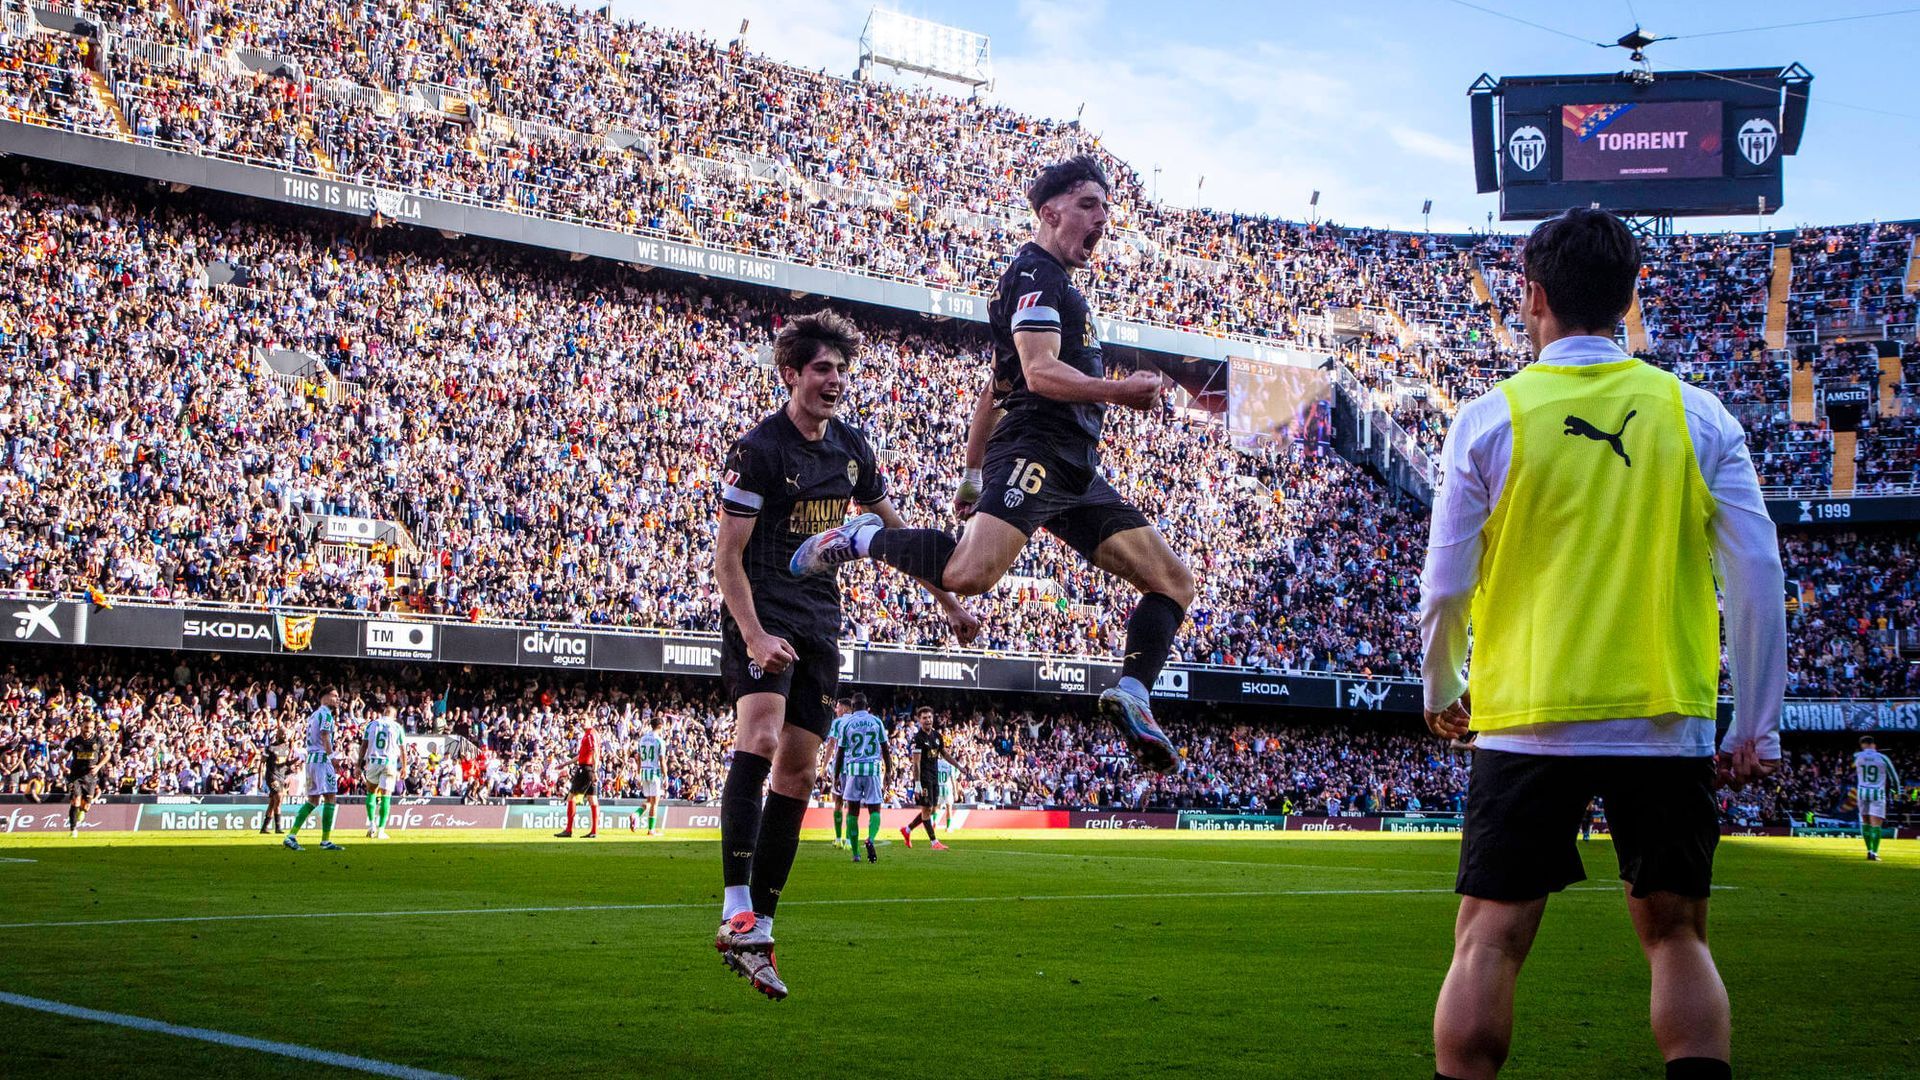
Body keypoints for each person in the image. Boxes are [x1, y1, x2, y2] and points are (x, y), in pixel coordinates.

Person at [1419, 208, 1787, 1080]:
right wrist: (1755, 725)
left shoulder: (1489, 419)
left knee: (1488, 940)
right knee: (1676, 936)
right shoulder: (1697, 416)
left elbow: (1445, 586)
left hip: (1526, 717)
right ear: (1629, 299)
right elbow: (1758, 573)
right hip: (1662, 715)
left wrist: (1441, 688)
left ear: (1532, 296)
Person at [789, 155, 1189, 775]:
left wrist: (972, 475)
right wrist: (1118, 391)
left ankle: (1134, 694)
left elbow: (995, 388)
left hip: (1074, 468)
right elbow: (1038, 374)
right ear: (1049, 212)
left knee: (1173, 582)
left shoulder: (1056, 286)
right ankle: (861, 537)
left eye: (1106, 209)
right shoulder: (1036, 274)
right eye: (1088, 205)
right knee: (968, 575)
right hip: (1036, 452)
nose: (1101, 219)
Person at [710, 310, 980, 1001]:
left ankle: (759, 932)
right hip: (762, 609)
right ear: (791, 374)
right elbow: (727, 560)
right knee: (761, 735)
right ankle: (734, 906)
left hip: (819, 621)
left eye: (841, 370)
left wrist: (948, 601)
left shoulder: (853, 449)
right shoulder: (758, 450)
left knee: (799, 773)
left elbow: (896, 534)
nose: (834, 380)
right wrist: (753, 634)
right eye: (822, 369)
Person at [284, 689, 346, 852]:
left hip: (311, 758)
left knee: (313, 800)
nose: (338, 699)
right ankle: (325, 841)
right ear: (324, 697)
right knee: (330, 797)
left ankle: (291, 836)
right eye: (334, 696)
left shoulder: (313, 715)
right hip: (321, 759)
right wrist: (332, 757)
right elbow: (325, 736)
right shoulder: (326, 715)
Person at [833, 694, 890, 864]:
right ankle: (870, 838)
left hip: (853, 770)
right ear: (866, 705)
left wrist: (836, 775)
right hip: (872, 770)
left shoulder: (846, 724)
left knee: (852, 812)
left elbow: (840, 752)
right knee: (875, 809)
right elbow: (885, 748)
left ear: (852, 706)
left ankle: (856, 854)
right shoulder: (876, 721)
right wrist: (888, 771)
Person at [900, 707, 964, 851]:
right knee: (927, 809)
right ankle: (934, 842)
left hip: (934, 777)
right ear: (919, 720)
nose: (928, 720)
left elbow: (945, 754)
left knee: (933, 809)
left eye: (929, 717)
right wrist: (917, 783)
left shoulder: (937, 736)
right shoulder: (918, 739)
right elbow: (916, 763)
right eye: (924, 718)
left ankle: (907, 830)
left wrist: (958, 766)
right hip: (924, 778)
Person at [1853, 735, 1901, 862]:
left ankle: (1869, 850)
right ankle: (1874, 852)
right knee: (1876, 825)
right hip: (1877, 793)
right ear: (1873, 744)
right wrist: (1896, 792)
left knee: (1865, 823)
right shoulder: (1883, 758)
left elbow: (1855, 760)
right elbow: (1894, 778)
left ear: (1862, 745)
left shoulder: (1857, 756)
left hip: (1862, 792)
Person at [360, 706, 406, 839]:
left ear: (383, 713)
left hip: (373, 761)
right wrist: (404, 767)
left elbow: (364, 746)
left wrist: (358, 764)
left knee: (371, 792)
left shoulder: (371, 725)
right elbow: (403, 750)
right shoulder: (397, 727)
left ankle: (371, 825)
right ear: (394, 716)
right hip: (389, 763)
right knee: (386, 796)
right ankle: (381, 831)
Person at [556, 719, 601, 838]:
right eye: (580, 720)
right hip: (589, 769)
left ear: (590, 720)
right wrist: (566, 764)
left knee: (571, 797)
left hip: (586, 769)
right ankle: (594, 831)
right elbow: (582, 755)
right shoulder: (592, 734)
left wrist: (595, 771)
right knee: (593, 799)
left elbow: (595, 752)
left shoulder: (590, 734)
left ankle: (568, 830)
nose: (581, 722)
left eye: (584, 719)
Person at [63, 718, 106, 838]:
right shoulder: (74, 741)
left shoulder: (99, 740)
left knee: (86, 805)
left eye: (91, 727)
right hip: (75, 775)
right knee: (76, 800)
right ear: (81, 727)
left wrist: (98, 766)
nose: (88, 730)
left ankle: (82, 811)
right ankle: (73, 829)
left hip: (91, 777)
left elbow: (107, 755)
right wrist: (63, 767)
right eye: (86, 727)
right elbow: (62, 756)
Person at [822, 699, 854, 848]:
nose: (836, 710)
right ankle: (849, 840)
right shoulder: (858, 722)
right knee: (852, 804)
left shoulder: (838, 722)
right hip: (854, 767)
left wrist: (824, 766)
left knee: (838, 802)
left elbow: (831, 744)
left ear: (845, 709)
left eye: (838, 707)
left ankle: (838, 838)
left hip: (840, 767)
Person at [258, 720, 296, 834]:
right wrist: (260, 780)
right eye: (283, 734)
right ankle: (278, 827)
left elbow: (286, 764)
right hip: (272, 776)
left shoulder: (287, 748)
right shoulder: (270, 748)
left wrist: (293, 764)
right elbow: (262, 763)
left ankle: (264, 827)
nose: (285, 736)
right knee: (279, 797)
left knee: (273, 802)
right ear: (278, 735)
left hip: (281, 776)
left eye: (286, 734)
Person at [635, 715, 669, 837]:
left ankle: (636, 815)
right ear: (660, 726)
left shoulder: (642, 739)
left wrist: (638, 774)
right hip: (654, 773)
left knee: (649, 801)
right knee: (655, 803)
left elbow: (638, 759)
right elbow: (662, 761)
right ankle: (651, 830)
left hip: (644, 772)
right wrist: (666, 776)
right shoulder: (659, 741)